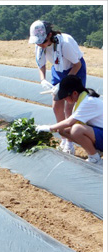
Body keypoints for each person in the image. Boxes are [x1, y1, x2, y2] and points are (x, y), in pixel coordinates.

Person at [28, 20, 87, 155]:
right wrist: (43, 79)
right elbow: (41, 64)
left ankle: (70, 143)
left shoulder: (64, 43)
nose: (39, 45)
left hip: (74, 70)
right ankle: (64, 138)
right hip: (58, 70)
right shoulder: (39, 46)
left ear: (49, 35)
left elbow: (77, 65)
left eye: (42, 41)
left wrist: (64, 83)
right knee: (56, 106)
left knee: (69, 107)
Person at [35, 75, 102, 165]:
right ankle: (96, 151)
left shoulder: (88, 101)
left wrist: (48, 128)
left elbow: (69, 122)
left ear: (74, 93)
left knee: (76, 130)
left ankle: (95, 158)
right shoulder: (81, 99)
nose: (64, 99)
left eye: (65, 96)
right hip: (101, 132)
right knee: (63, 131)